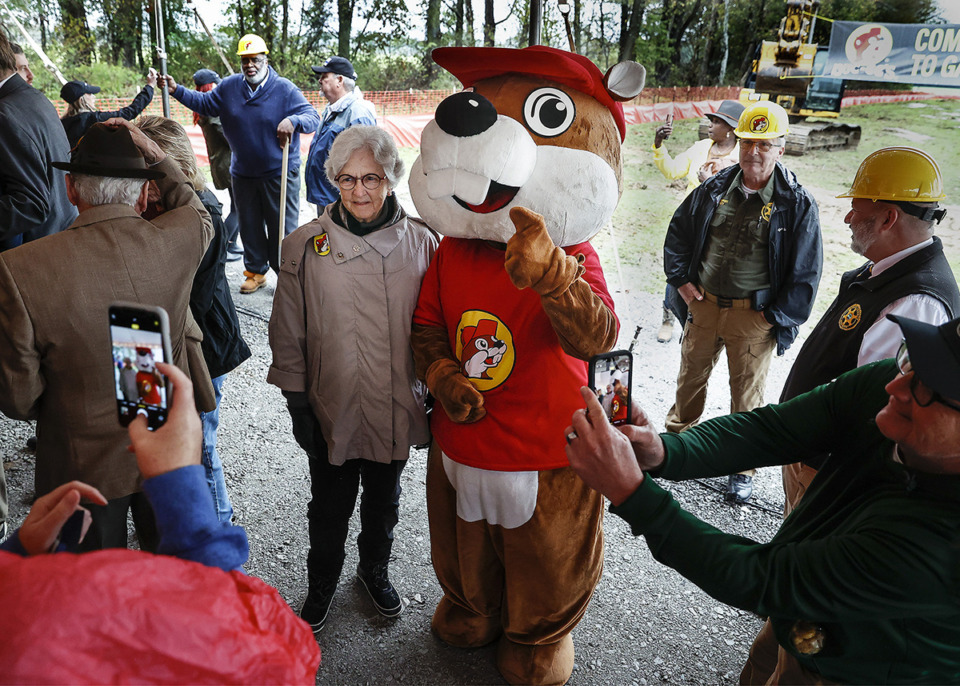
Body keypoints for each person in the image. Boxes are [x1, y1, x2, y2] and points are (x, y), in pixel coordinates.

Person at [566, 313, 960, 685]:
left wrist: (632, 493)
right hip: (803, 616)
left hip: (859, 671)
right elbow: (772, 430)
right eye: (912, 362)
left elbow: (763, 578)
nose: (897, 386)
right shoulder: (890, 386)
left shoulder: (941, 547)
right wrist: (666, 452)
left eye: (928, 387)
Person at [0, 362, 321, 684]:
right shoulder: (39, 628)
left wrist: (16, 556)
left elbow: (20, 396)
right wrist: (183, 493)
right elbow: (271, 658)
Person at [0, 119, 215, 552]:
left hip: (81, 467)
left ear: (71, 190)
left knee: (93, 598)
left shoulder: (18, 269)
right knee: (173, 578)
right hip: (165, 449)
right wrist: (153, 152)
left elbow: (18, 398)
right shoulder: (180, 238)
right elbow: (195, 205)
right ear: (140, 193)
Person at [268, 125, 438, 632]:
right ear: (332, 181)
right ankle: (321, 583)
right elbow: (288, 329)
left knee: (384, 502)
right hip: (332, 405)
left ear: (391, 179)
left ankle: (373, 571)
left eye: (371, 179)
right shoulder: (304, 246)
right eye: (346, 180)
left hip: (397, 403)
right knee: (328, 506)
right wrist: (299, 403)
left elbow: (437, 327)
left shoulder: (424, 244)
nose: (359, 192)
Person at [779, 146, 960, 515]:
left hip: (829, 471)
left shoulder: (916, 303)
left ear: (888, 218)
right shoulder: (888, 272)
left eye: (857, 209)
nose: (846, 217)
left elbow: (868, 406)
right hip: (813, 458)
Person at [663, 100, 822, 503]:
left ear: (780, 149)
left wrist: (774, 317)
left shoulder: (796, 202)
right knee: (689, 380)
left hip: (754, 316)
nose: (754, 152)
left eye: (764, 145)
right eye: (749, 142)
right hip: (703, 305)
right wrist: (680, 281)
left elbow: (806, 272)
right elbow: (679, 233)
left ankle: (741, 469)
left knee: (747, 397)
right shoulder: (715, 187)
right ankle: (675, 448)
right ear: (740, 143)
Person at [136, 114, 252, 523]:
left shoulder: (201, 215)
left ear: (180, 170)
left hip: (202, 347)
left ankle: (218, 529)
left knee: (200, 444)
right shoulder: (164, 208)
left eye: (154, 177)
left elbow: (185, 301)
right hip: (178, 343)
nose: (146, 190)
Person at [163, 34, 321, 295]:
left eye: (255, 60)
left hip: (278, 171)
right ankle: (256, 272)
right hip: (244, 172)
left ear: (265, 60)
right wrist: (176, 90)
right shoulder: (229, 87)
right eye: (245, 60)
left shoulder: (284, 89)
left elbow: (312, 116)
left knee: (283, 226)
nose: (250, 65)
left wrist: (294, 121)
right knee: (249, 226)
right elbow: (205, 103)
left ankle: (288, 275)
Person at [652, 100, 744, 343]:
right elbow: (672, 170)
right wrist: (659, 144)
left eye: (717, 122)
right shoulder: (700, 148)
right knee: (676, 278)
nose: (710, 125)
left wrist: (707, 183)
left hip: (720, 234)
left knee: (703, 283)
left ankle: (693, 330)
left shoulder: (740, 160)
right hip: (689, 228)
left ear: (732, 129)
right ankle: (669, 319)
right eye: (711, 120)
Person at [304, 56, 377, 214]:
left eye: (324, 77)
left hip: (344, 202)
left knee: (343, 239)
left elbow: (366, 162)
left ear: (339, 80)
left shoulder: (357, 112)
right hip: (328, 198)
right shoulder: (332, 110)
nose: (320, 81)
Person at [192, 68, 241, 260]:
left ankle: (231, 243)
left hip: (222, 163)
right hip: (228, 164)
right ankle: (223, 245)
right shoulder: (212, 111)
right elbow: (230, 138)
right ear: (209, 86)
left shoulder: (205, 109)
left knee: (237, 206)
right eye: (216, 83)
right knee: (239, 208)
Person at [59, 70, 157, 149]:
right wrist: (150, 86)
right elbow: (130, 112)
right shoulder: (94, 119)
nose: (94, 97)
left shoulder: (61, 123)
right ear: (82, 100)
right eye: (89, 94)